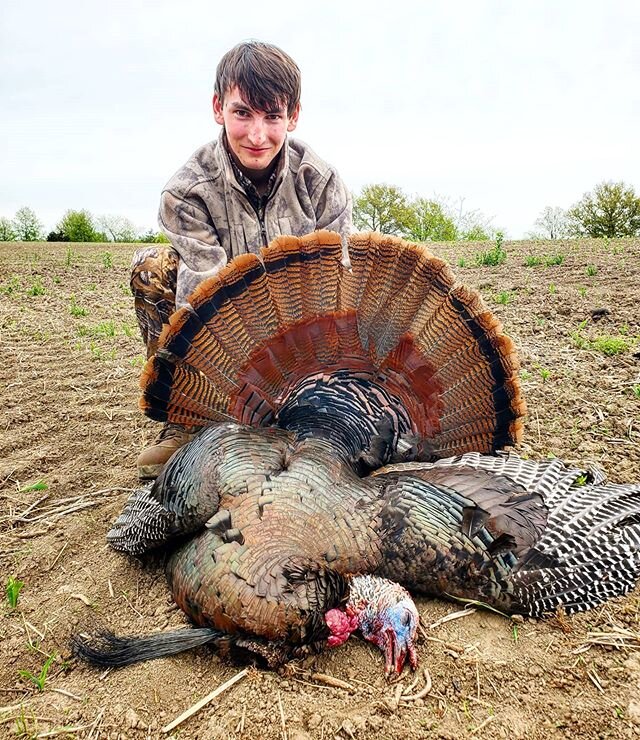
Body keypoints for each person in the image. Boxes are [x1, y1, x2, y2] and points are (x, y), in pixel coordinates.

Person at [130, 40, 353, 479]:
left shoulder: (320, 182)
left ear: (293, 116)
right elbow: (202, 301)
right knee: (153, 269)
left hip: (303, 333)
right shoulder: (188, 191)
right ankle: (189, 421)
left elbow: (338, 288)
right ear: (218, 108)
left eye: (272, 116)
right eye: (242, 113)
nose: (257, 134)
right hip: (226, 338)